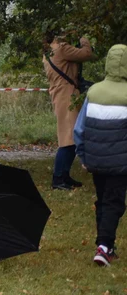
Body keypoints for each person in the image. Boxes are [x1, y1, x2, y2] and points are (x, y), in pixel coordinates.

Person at [73, 44, 127, 267]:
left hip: (95, 160)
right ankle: (104, 247)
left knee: (103, 200)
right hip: (120, 161)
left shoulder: (93, 92)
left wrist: (83, 156)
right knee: (114, 202)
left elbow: (79, 129)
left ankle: (106, 245)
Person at [43, 30, 96, 190]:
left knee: (71, 137)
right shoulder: (62, 48)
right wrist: (84, 38)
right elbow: (87, 54)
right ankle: (58, 178)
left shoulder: (50, 51)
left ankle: (64, 175)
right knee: (68, 138)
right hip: (66, 93)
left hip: (63, 92)